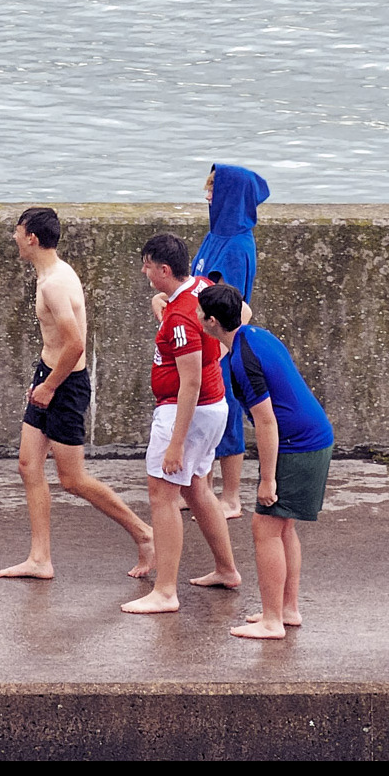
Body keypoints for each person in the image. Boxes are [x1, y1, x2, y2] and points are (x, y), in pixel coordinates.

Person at [0, 207, 155, 581]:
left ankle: (144, 534)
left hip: (64, 384)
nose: (15, 237)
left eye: (18, 231)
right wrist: (43, 378)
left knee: (73, 479)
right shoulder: (50, 273)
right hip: (49, 374)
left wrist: (49, 387)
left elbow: (76, 344)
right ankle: (39, 559)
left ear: (31, 237)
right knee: (28, 464)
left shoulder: (54, 283)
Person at [197, 282, 334, 639]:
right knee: (283, 526)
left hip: (297, 444)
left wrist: (267, 480)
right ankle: (287, 610)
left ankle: (273, 620)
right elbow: (241, 310)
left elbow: (267, 422)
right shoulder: (253, 335)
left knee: (265, 527)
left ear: (211, 322)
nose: (196, 316)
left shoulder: (243, 360)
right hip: (313, 436)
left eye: (200, 313)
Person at [122, 234, 240, 614]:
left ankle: (165, 591)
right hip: (213, 409)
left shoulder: (179, 320)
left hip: (184, 412)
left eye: (147, 266)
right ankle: (226, 569)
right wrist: (216, 354)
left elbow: (189, 382)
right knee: (196, 489)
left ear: (164, 269)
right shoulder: (205, 289)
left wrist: (174, 444)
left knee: (162, 495)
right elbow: (244, 314)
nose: (144, 271)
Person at [187, 164, 270, 519]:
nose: (208, 197)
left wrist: (217, 354)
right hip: (202, 338)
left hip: (220, 344)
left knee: (228, 418)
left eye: (213, 191)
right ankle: (199, 491)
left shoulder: (236, 245)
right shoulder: (215, 235)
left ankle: (231, 497)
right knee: (199, 420)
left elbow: (235, 305)